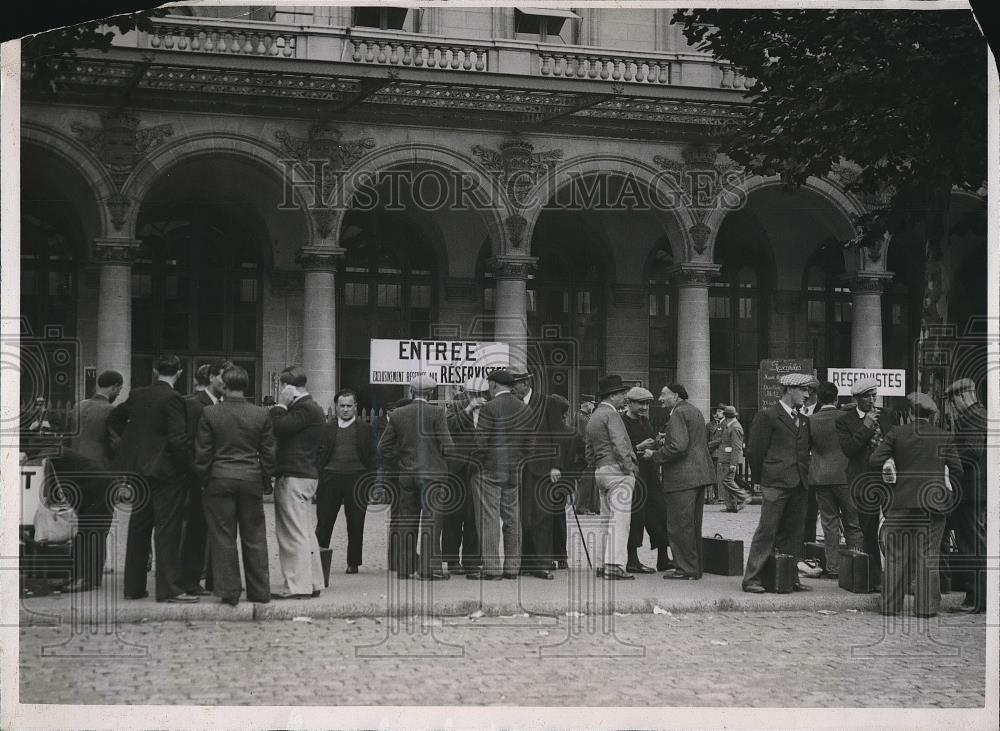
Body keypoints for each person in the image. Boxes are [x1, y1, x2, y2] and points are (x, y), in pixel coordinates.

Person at [107, 354, 196, 603]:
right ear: (179, 373)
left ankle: (133, 588)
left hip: (138, 469)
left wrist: (131, 445)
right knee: (167, 529)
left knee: (139, 525)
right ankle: (168, 588)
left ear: (156, 371)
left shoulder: (137, 394)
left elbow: (115, 418)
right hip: (165, 472)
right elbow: (178, 439)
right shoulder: (174, 399)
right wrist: (186, 466)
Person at [870, 392, 963, 618]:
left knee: (896, 555)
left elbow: (874, 460)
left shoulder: (896, 433)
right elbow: (958, 470)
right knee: (928, 556)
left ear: (910, 413)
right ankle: (926, 608)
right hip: (933, 504)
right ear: (931, 416)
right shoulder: (944, 436)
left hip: (900, 503)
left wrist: (892, 462)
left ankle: (890, 606)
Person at [193, 365, 276, 606]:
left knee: (223, 536)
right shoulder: (261, 414)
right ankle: (260, 591)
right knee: (255, 536)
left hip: (219, 478)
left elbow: (203, 453)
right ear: (246, 386)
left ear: (224, 386)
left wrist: (205, 479)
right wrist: (264, 479)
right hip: (250, 478)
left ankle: (229, 590)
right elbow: (269, 453)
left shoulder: (210, 413)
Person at [741, 373, 814, 594]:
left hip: (799, 483)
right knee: (767, 530)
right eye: (803, 390)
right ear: (789, 390)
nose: (807, 394)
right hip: (775, 482)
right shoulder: (768, 416)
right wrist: (760, 480)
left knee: (793, 533)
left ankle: (787, 577)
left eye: (807, 390)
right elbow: (754, 451)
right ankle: (752, 578)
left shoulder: (804, 420)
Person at [378, 375, 454, 580]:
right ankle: (428, 569)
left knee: (406, 520)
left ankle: (404, 568)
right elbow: (448, 446)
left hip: (408, 474)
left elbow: (384, 447)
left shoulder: (397, 414)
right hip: (433, 475)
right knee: (431, 522)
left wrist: (401, 461)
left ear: (411, 392)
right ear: (430, 393)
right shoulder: (438, 412)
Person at [644, 384, 715, 580]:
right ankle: (694, 567)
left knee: (679, 525)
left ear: (675, 396)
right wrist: (665, 439)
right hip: (699, 475)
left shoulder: (677, 414)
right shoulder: (694, 411)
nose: (660, 398)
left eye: (663, 394)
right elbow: (690, 441)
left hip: (682, 478)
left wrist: (655, 455)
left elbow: (678, 446)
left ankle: (685, 569)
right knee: (692, 524)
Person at [269, 365, 326, 599]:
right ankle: (312, 582)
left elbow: (278, 427)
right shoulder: (313, 408)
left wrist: (280, 404)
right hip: (306, 474)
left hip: (293, 475)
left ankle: (296, 585)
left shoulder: (302, 409)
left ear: (286, 386)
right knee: (304, 532)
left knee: (292, 534)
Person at [467, 369, 529, 580]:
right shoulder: (525, 409)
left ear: (493, 385)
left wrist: (474, 465)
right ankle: (512, 567)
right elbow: (530, 444)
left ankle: (492, 568)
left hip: (489, 471)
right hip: (514, 471)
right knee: (512, 519)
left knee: (489, 519)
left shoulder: (490, 408)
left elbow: (480, 442)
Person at [836, 377, 896, 590]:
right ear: (858, 399)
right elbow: (850, 449)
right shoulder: (845, 421)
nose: (873, 400)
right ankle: (875, 579)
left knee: (896, 527)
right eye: (868, 396)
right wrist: (866, 426)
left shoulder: (888, 415)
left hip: (889, 480)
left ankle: (898, 577)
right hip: (864, 481)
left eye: (874, 395)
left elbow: (896, 442)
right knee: (869, 530)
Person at [178, 360, 229, 597]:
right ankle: (189, 579)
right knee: (195, 530)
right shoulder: (194, 404)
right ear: (211, 378)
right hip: (198, 478)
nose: (227, 381)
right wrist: (198, 473)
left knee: (210, 530)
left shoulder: (222, 404)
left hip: (217, 477)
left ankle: (209, 577)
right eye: (223, 376)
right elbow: (188, 442)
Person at [807, 381, 864, 577]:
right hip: (846, 476)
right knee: (853, 522)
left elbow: (806, 449)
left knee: (829, 523)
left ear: (818, 399)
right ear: (836, 397)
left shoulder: (811, 420)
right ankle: (856, 566)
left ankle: (833, 567)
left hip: (821, 477)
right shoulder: (847, 417)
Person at [315, 388, 373, 575]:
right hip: (330, 479)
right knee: (324, 521)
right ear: (336, 407)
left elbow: (374, 458)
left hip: (357, 479)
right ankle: (318, 561)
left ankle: (353, 563)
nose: (346, 409)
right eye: (342, 406)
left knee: (356, 523)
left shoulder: (366, 429)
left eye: (349, 406)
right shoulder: (326, 428)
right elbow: (318, 455)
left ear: (356, 407)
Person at [586, 375, 637, 581]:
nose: (625, 397)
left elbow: (588, 448)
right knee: (620, 520)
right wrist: (629, 468)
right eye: (622, 394)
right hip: (618, 471)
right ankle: (614, 564)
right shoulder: (612, 415)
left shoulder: (594, 416)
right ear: (613, 395)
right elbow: (619, 444)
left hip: (600, 470)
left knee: (605, 520)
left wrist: (596, 465)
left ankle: (600, 563)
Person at [510, 366, 559, 580]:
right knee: (523, 517)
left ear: (525, 384)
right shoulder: (513, 405)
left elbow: (559, 436)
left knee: (542, 516)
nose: (512, 390)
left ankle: (542, 563)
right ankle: (525, 562)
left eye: (514, 386)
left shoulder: (547, 402)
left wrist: (556, 466)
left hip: (543, 468)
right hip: (519, 468)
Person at [944, 378, 987, 614]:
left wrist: (950, 458)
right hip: (979, 491)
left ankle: (975, 599)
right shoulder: (983, 414)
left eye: (952, 402)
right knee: (976, 543)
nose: (952, 407)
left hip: (970, 492)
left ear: (960, 397)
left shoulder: (970, 418)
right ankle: (978, 597)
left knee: (970, 545)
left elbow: (971, 451)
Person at [621, 387, 670, 574]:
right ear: (630, 403)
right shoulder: (622, 422)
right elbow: (619, 448)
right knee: (636, 516)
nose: (644, 407)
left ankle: (663, 559)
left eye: (647, 403)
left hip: (650, 474)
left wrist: (658, 441)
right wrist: (638, 446)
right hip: (634, 475)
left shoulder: (645, 421)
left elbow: (650, 441)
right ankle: (632, 560)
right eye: (641, 403)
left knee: (659, 512)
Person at [444, 377, 488, 575]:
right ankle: (452, 560)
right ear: (466, 393)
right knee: (453, 515)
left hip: (480, 469)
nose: (477, 398)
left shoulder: (490, 409)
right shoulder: (455, 407)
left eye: (480, 395)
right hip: (456, 469)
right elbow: (448, 427)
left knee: (475, 516)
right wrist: (468, 409)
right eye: (473, 394)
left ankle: (472, 561)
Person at [68, 370, 123, 467]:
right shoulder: (111, 410)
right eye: (119, 389)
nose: (118, 394)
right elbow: (115, 442)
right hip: (97, 467)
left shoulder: (78, 406)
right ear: (114, 387)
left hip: (74, 463)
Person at [718, 405, 750, 513]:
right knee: (726, 481)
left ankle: (744, 496)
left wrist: (733, 463)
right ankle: (731, 506)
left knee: (727, 481)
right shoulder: (731, 426)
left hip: (729, 459)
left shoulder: (735, 427)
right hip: (726, 458)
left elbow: (736, 447)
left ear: (726, 417)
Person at [573, 401, 598, 514]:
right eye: (592, 404)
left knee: (586, 480)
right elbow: (585, 438)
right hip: (585, 454)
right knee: (586, 481)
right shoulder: (583, 419)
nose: (593, 406)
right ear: (587, 404)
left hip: (582, 454)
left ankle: (587, 506)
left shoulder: (580, 416)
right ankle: (583, 507)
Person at [705, 404, 727, 504]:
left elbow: (721, 439)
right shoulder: (711, 424)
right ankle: (717, 495)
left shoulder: (726, 424)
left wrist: (708, 445)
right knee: (714, 475)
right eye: (717, 411)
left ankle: (721, 497)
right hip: (712, 453)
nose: (718, 413)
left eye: (720, 411)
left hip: (721, 452)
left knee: (720, 476)